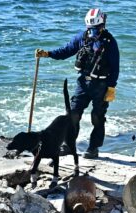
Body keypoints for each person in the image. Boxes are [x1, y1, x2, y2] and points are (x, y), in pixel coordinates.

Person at [36, 8, 119, 159]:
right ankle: (69, 145)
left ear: (102, 26)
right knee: (73, 114)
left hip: (101, 86)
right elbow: (67, 50)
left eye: (96, 29)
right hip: (83, 83)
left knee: (97, 117)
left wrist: (111, 87)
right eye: (90, 29)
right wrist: (48, 54)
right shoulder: (82, 37)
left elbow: (115, 67)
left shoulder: (110, 42)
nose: (93, 32)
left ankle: (93, 148)